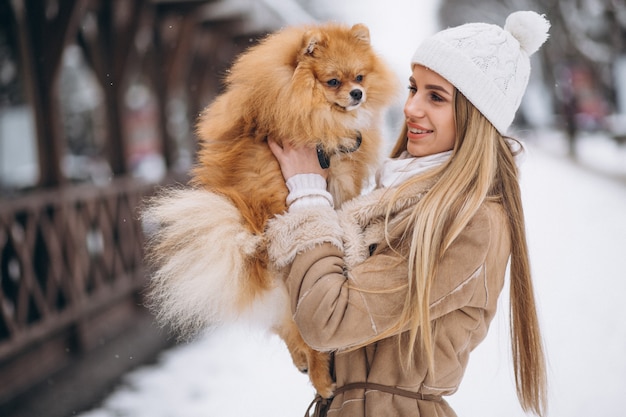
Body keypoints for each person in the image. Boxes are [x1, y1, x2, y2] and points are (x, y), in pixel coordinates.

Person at [266, 10, 550, 417]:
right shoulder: (398, 194)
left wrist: (308, 193)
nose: (412, 107)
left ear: (475, 116)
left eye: (436, 97)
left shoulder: (470, 222)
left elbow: (328, 319)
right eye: (414, 88)